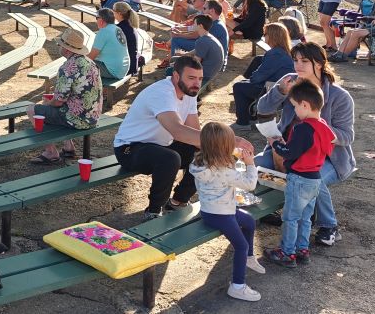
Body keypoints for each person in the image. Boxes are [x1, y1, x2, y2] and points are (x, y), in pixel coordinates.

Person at [114, 56, 254, 219]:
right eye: (191, 78)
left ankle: (178, 201)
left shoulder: (189, 92)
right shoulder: (162, 93)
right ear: (176, 76)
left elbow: (194, 131)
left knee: (204, 152)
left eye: (200, 79)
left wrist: (220, 150)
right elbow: (178, 131)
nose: (196, 83)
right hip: (130, 149)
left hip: (161, 144)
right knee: (170, 158)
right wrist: (229, 141)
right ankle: (153, 210)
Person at [255, 42, 355, 247]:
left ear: (319, 64)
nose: (298, 65)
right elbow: (262, 108)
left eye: (304, 61)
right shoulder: (290, 82)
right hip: (287, 149)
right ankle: (268, 207)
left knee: (311, 179)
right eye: (295, 60)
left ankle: (329, 226)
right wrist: (280, 91)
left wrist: (316, 133)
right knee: (256, 168)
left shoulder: (339, 96)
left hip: (327, 157)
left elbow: (347, 136)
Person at [189, 122, 265, 302]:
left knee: (249, 221)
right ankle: (237, 286)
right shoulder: (224, 170)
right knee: (241, 245)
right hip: (222, 215)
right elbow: (250, 185)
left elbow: (220, 171)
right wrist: (250, 164)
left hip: (211, 210)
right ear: (225, 147)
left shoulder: (199, 161)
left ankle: (248, 258)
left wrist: (234, 159)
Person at [264, 80, 336, 268]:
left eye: (295, 106)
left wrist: (275, 144)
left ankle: (286, 252)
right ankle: (302, 249)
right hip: (315, 179)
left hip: (299, 178)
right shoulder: (323, 126)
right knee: (305, 218)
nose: (294, 111)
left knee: (290, 218)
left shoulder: (303, 128)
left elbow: (289, 153)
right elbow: (329, 147)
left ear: (305, 105)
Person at [27, 28, 102, 164]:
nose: (58, 47)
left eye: (60, 45)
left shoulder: (68, 67)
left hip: (78, 119)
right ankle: (68, 148)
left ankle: (51, 152)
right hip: (93, 116)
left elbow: (58, 102)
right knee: (62, 108)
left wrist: (47, 103)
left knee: (32, 109)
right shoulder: (90, 63)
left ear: (67, 49)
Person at [230, 23, 295, 131]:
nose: (263, 37)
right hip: (280, 85)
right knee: (245, 83)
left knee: (239, 87)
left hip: (273, 88)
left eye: (265, 34)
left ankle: (243, 122)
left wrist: (250, 79)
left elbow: (258, 78)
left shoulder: (274, 54)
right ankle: (251, 116)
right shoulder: (286, 51)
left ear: (273, 36)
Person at [88, 7, 130, 79]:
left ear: (101, 20)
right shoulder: (117, 28)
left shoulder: (104, 31)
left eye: (96, 18)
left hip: (112, 71)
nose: (96, 21)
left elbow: (91, 57)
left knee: (80, 64)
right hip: (123, 69)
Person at [113, 1, 140, 76]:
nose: (113, 13)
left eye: (114, 11)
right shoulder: (129, 25)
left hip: (127, 66)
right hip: (133, 63)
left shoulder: (119, 28)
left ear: (119, 13)